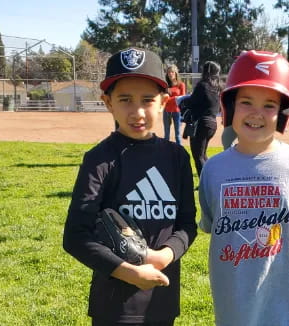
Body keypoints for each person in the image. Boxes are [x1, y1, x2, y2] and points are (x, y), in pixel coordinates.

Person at [198, 50, 289, 326]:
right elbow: (214, 226)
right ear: (230, 106)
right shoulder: (213, 169)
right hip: (233, 300)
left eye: (269, 105)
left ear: (283, 112)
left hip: (285, 301)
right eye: (246, 102)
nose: (256, 114)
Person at [63, 47, 197, 326]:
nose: (137, 111)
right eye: (125, 99)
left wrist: (165, 255)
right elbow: (76, 236)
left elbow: (186, 224)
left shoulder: (177, 158)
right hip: (114, 305)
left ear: (164, 101)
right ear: (108, 102)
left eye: (147, 100)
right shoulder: (100, 159)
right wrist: (128, 273)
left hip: (162, 298)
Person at [188, 61, 222, 179]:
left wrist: (182, 101)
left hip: (201, 122)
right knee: (203, 154)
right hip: (212, 123)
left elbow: (192, 102)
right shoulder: (217, 88)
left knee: (198, 155)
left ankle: (205, 183)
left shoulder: (202, 86)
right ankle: (210, 178)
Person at [163, 64, 185, 145]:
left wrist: (168, 99)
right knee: (166, 135)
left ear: (176, 73)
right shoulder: (165, 85)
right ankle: (166, 153)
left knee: (178, 135)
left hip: (177, 112)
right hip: (166, 111)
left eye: (172, 72)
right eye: (169, 72)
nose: (170, 74)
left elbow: (182, 97)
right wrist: (175, 98)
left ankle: (180, 154)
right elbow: (162, 97)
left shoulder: (181, 84)